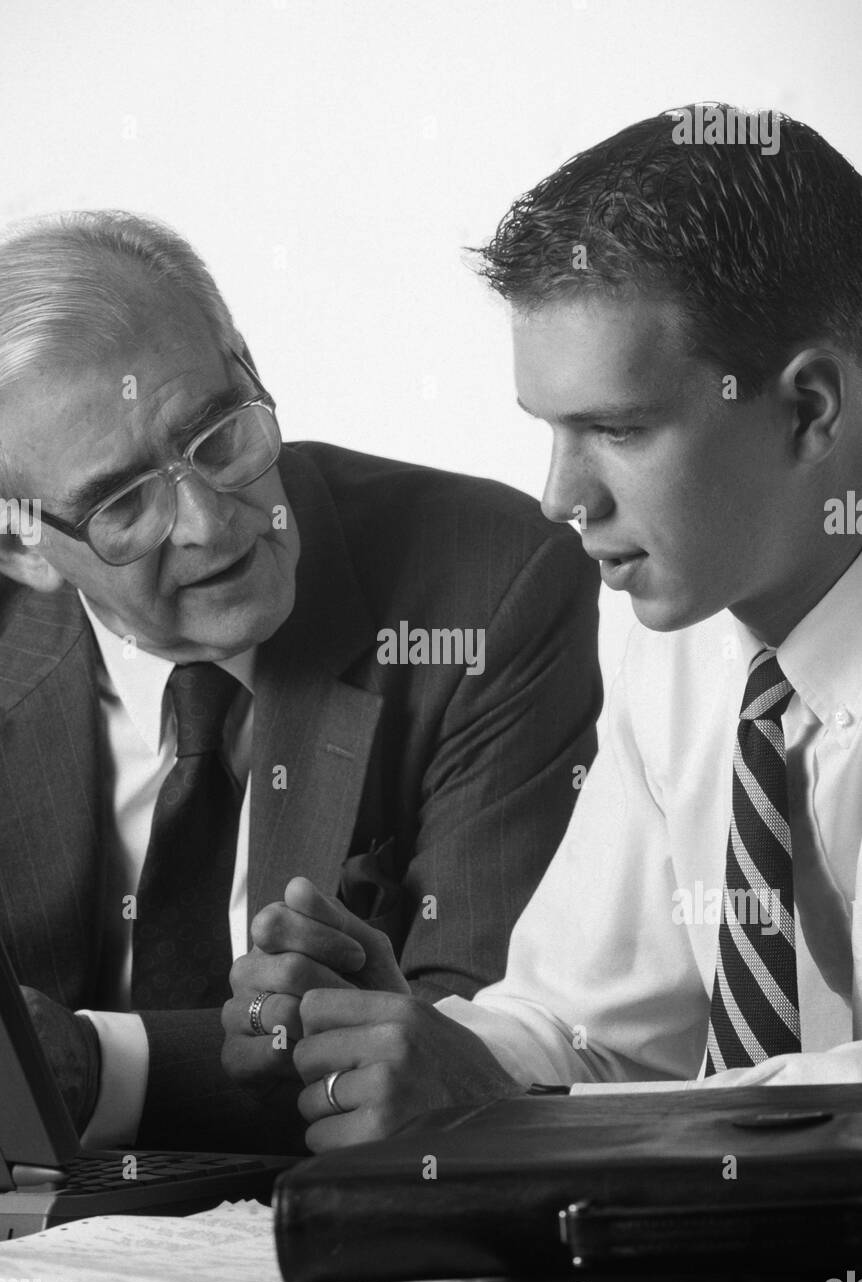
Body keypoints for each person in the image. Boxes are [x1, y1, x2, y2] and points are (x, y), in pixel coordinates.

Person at [223, 103, 862, 1153]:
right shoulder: (685, 643)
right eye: (552, 431)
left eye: (615, 429)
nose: (561, 498)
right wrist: (432, 1048)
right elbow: (586, 1027)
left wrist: (498, 1106)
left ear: (807, 409)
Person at [0, 211, 601, 1152]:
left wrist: (90, 1065)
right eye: (124, 503)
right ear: (22, 546)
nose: (210, 521)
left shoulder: (490, 585)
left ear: (248, 366)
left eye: (217, 434)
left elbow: (464, 1047)